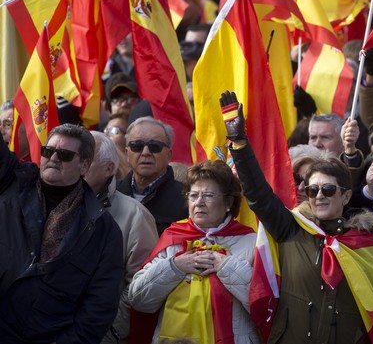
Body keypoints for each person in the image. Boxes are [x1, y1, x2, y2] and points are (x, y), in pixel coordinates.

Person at [219, 91, 373, 344]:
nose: (319, 196)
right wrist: (238, 141)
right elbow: (258, 195)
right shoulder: (291, 228)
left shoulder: (367, 243)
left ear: (346, 196)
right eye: (312, 190)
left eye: (328, 190)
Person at [0, 123, 123, 343]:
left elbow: (99, 307)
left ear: (84, 166)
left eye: (64, 154)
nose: (54, 158)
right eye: (48, 151)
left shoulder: (103, 229)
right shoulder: (12, 182)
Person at [129, 161, 258, 343]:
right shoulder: (173, 237)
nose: (199, 202)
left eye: (208, 195)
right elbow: (138, 299)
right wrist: (175, 266)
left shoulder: (251, 241)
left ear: (228, 202)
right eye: (193, 195)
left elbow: (263, 304)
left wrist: (225, 266)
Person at [85, 131, 159, 344]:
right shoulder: (52, 207)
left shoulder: (135, 215)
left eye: (86, 160)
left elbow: (139, 286)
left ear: (109, 168)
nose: (76, 165)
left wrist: (110, 331)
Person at [117, 117, 188, 235]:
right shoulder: (111, 193)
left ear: (168, 155)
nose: (145, 152)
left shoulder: (186, 199)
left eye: (155, 146)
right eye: (137, 146)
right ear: (126, 154)